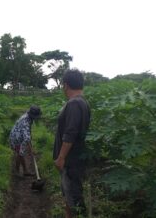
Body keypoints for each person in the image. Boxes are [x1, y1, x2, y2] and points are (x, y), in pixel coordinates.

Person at [53, 69, 91, 217]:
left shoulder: (74, 103)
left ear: (66, 85)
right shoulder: (82, 102)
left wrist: (61, 157)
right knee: (70, 197)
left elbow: (70, 133)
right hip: (74, 159)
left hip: (70, 161)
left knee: (73, 198)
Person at [9, 106, 41, 176]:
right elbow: (26, 138)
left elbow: (28, 132)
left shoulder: (28, 117)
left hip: (19, 135)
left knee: (20, 153)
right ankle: (18, 171)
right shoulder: (25, 121)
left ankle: (24, 170)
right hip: (17, 138)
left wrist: (30, 145)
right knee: (20, 153)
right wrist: (31, 150)